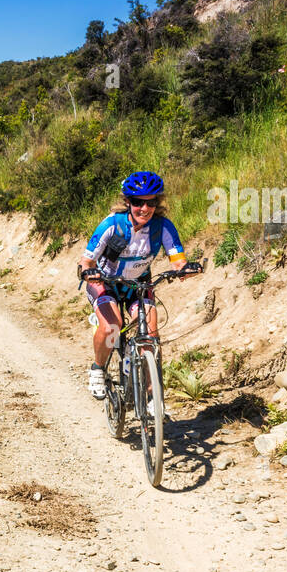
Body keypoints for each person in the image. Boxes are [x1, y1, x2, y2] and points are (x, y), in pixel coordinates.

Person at [77, 171, 194, 402]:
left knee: (150, 335)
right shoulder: (112, 224)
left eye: (151, 202)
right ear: (128, 202)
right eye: (138, 202)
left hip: (139, 284)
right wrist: (89, 273)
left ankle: (153, 398)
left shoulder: (163, 227)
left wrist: (184, 269)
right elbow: (87, 261)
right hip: (106, 282)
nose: (144, 208)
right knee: (112, 326)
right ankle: (98, 369)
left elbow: (178, 259)